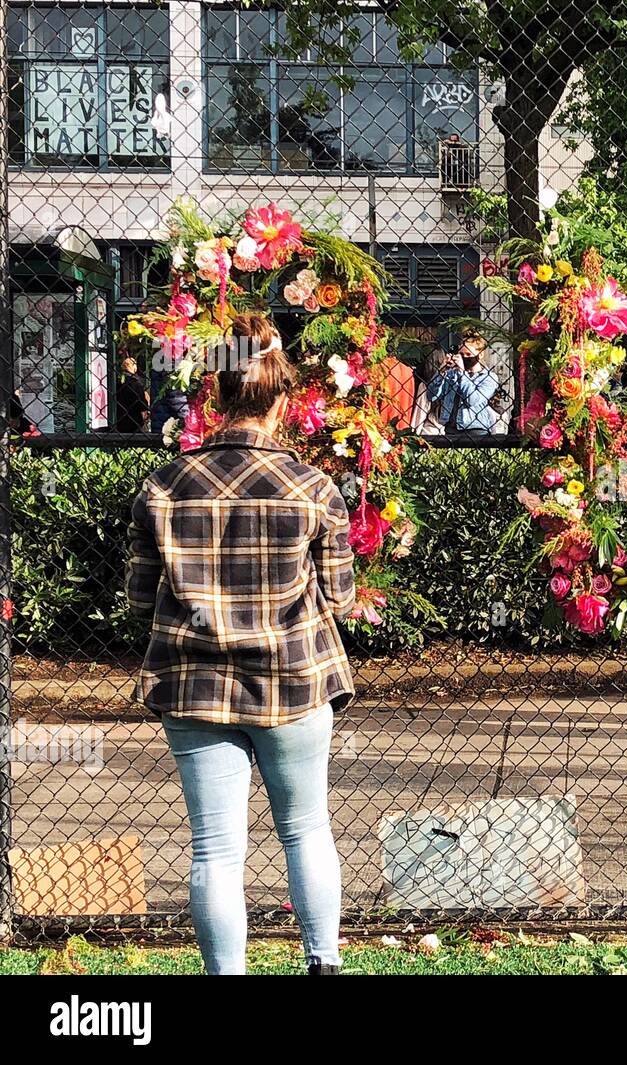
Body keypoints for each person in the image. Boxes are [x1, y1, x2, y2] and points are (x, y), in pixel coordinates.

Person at [126, 313, 355, 975]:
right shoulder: (314, 488)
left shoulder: (164, 485)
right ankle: (323, 962)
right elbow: (339, 598)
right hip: (294, 681)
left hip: (193, 685)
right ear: (282, 399)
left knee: (214, 849)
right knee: (306, 826)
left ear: (214, 396)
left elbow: (141, 599)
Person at [426, 332, 498, 435]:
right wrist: (442, 371)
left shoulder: (488, 377)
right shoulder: (452, 374)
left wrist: (462, 372)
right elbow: (431, 396)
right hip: (450, 429)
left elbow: (473, 399)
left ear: (480, 355)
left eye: (468, 354)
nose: (465, 358)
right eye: (461, 354)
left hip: (476, 429)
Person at [115, 355, 150, 433]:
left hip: (119, 420)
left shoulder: (117, 382)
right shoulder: (135, 383)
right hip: (134, 421)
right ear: (134, 367)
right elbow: (142, 405)